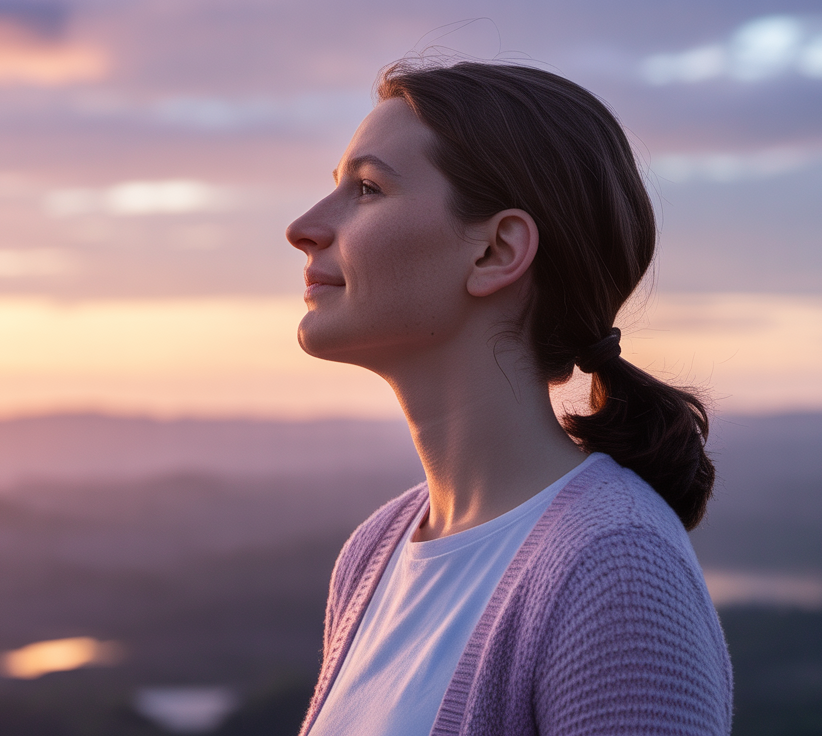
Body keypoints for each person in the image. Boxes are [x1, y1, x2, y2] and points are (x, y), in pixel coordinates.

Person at [286, 60, 732, 736]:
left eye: (369, 188)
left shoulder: (615, 568)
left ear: (497, 251)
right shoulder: (375, 553)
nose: (304, 227)